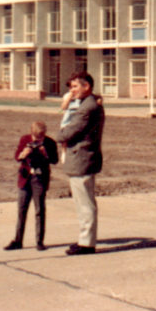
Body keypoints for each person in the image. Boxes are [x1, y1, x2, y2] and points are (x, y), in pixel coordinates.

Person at [56, 69, 105, 256]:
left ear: (87, 86)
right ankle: (85, 241)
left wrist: (59, 135)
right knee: (83, 203)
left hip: (82, 158)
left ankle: (87, 244)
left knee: (85, 204)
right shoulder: (87, 104)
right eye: (71, 87)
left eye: (76, 86)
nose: (72, 90)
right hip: (81, 158)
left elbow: (70, 131)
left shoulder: (87, 108)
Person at [4, 120, 58, 251]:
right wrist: (23, 153)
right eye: (36, 139)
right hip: (25, 178)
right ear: (31, 134)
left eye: (41, 138)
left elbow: (55, 160)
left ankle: (39, 241)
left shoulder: (50, 142)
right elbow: (17, 157)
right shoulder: (24, 139)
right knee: (21, 210)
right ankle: (18, 240)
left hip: (39, 179)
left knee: (39, 210)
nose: (38, 141)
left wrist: (45, 153)